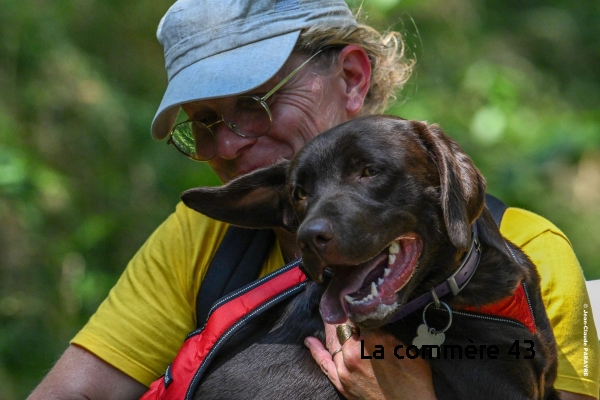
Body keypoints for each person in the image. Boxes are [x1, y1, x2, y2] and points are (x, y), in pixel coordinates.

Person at [29, 0, 598, 399]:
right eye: (203, 123)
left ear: (351, 77)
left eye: (255, 102)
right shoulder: (201, 237)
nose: (228, 142)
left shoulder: (531, 254)